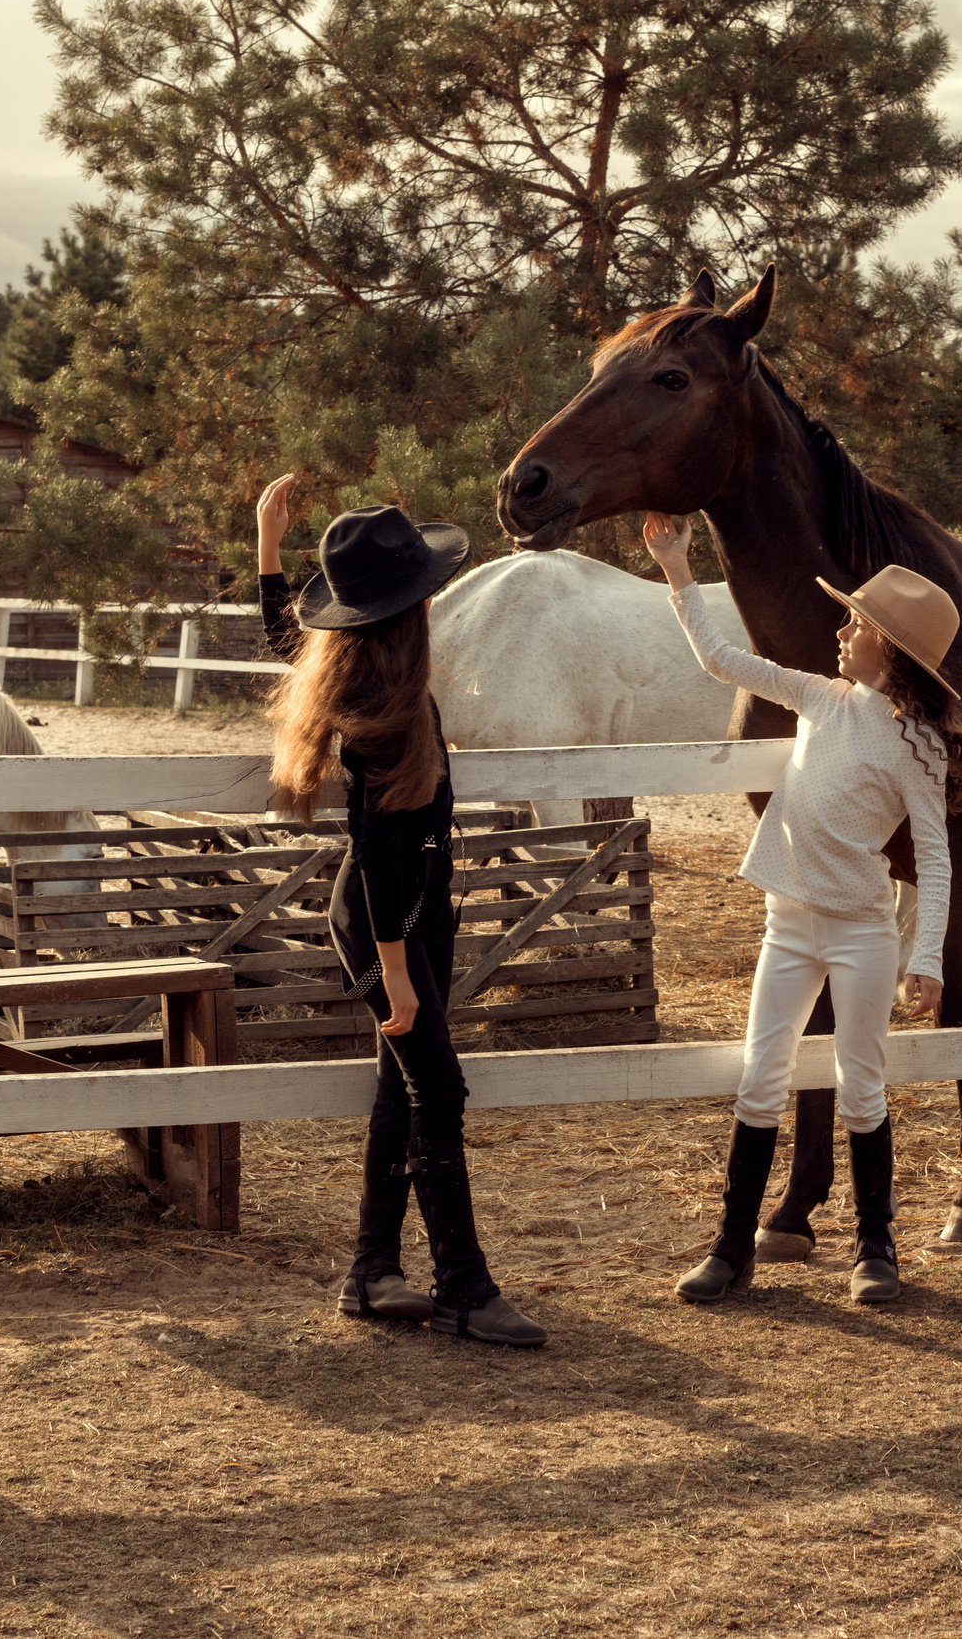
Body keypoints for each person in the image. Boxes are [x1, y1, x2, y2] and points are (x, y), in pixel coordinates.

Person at [642, 511, 962, 1307]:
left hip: (863, 934)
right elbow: (724, 660)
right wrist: (679, 574)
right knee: (761, 1077)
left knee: (863, 1085)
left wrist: (924, 956)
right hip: (786, 927)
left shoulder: (917, 745)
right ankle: (732, 1245)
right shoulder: (818, 697)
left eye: (855, 623)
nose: (841, 630)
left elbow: (935, 857)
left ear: (889, 649)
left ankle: (876, 1247)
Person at [254, 474, 547, 1347]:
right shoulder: (382, 713)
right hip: (386, 920)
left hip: (414, 911)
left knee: (403, 1087)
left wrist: (268, 549)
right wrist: (394, 974)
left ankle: (371, 1269)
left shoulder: (365, 675)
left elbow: (285, 639)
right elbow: (379, 853)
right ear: (406, 610)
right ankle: (463, 1283)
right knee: (440, 1087)